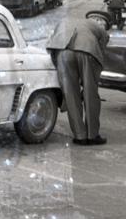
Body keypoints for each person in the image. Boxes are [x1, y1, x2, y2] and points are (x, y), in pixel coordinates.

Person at [46, 15, 109, 145]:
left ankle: (80, 136)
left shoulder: (67, 20)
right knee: (90, 94)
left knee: (70, 95)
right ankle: (92, 135)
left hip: (62, 52)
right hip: (87, 50)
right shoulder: (99, 28)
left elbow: (51, 44)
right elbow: (102, 50)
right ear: (98, 21)